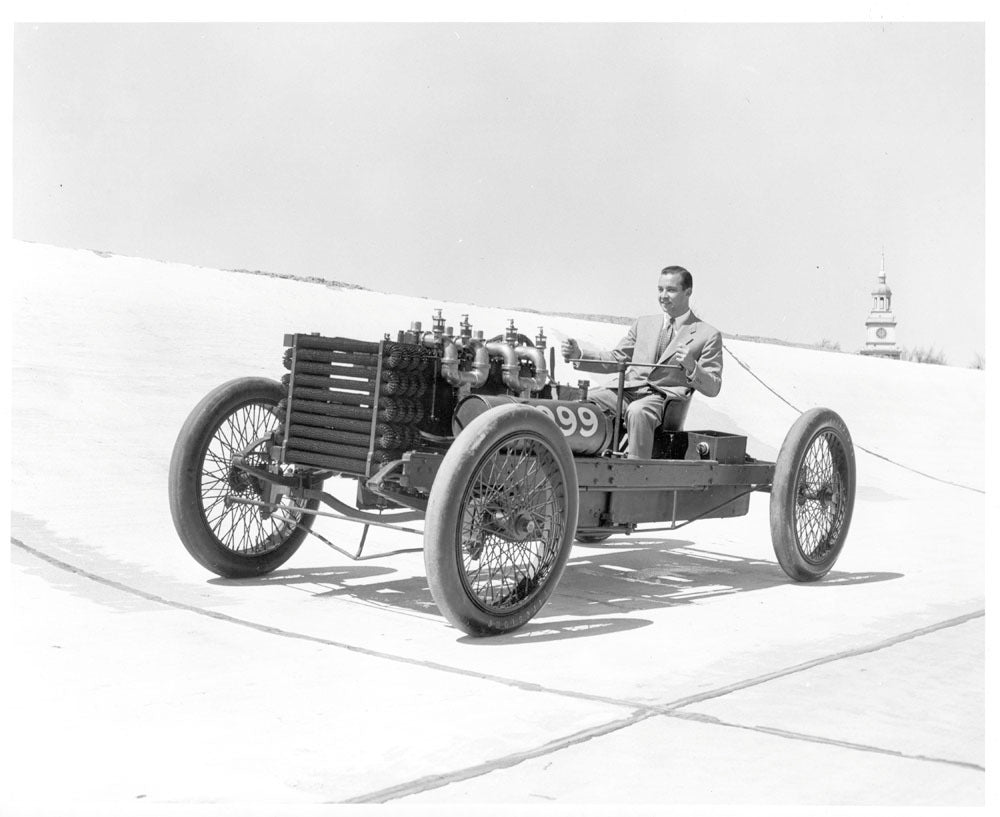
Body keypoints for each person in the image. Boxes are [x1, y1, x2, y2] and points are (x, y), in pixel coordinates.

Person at [560, 265, 723, 459]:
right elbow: (617, 358)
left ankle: (636, 469)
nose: (663, 296)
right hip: (626, 391)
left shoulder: (707, 334)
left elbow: (713, 387)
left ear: (688, 292)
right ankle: (575, 464)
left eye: (671, 290)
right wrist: (579, 355)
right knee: (581, 402)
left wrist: (692, 366)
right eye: (660, 289)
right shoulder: (643, 324)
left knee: (637, 412)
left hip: (662, 400)